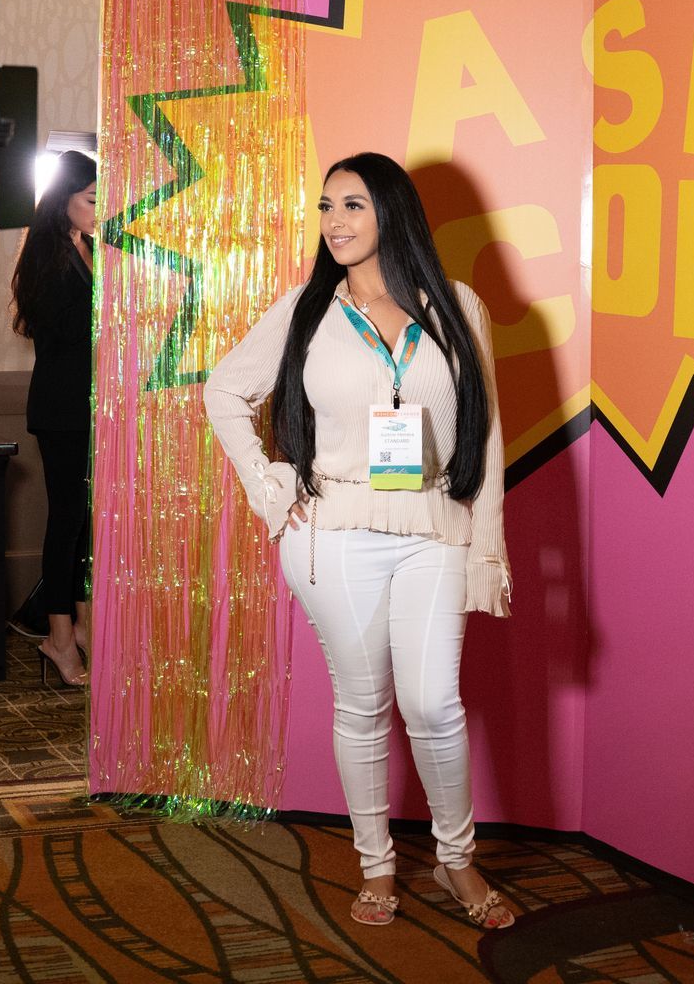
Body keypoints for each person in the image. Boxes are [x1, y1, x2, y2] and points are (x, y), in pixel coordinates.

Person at [203, 151, 516, 931]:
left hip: (434, 525)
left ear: (393, 214)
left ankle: (455, 860)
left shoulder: (458, 306)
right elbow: (224, 390)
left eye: (352, 205)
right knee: (363, 703)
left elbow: (491, 435)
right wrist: (270, 484)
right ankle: (376, 863)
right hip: (333, 529)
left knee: (433, 703)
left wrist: (486, 547)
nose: (333, 222)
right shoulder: (308, 308)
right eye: (325, 206)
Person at [9, 151, 98, 687]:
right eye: (91, 198)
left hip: (88, 408)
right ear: (63, 200)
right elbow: (69, 336)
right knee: (66, 521)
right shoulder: (46, 255)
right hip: (63, 409)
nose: (100, 207)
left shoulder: (85, 248)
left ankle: (83, 626)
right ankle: (58, 638)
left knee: (86, 522)